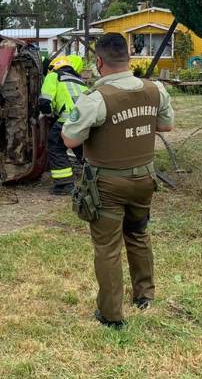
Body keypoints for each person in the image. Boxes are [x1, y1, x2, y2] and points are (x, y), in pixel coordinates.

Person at [61, 33, 174, 329]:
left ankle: (111, 315)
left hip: (108, 184)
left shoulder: (95, 99)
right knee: (138, 234)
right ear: (129, 58)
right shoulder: (155, 89)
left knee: (107, 247)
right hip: (145, 177)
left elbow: (70, 138)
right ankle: (145, 296)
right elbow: (166, 124)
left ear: (99, 62)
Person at [39, 54, 88, 194]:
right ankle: (98, 177)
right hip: (84, 121)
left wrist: (47, 116)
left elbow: (45, 101)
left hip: (67, 120)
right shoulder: (79, 80)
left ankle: (65, 184)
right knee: (82, 149)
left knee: (56, 147)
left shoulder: (54, 76)